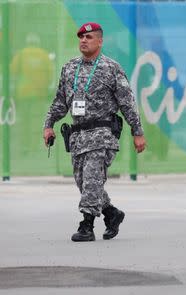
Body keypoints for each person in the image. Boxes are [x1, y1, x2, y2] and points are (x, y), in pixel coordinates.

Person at [42, 22, 146, 242]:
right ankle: (111, 213)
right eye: (81, 37)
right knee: (84, 181)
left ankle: (86, 226)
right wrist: (49, 124)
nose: (83, 40)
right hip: (78, 136)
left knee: (91, 178)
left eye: (89, 37)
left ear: (100, 41)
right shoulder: (69, 68)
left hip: (102, 134)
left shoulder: (111, 68)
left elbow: (127, 103)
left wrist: (137, 132)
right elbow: (60, 102)